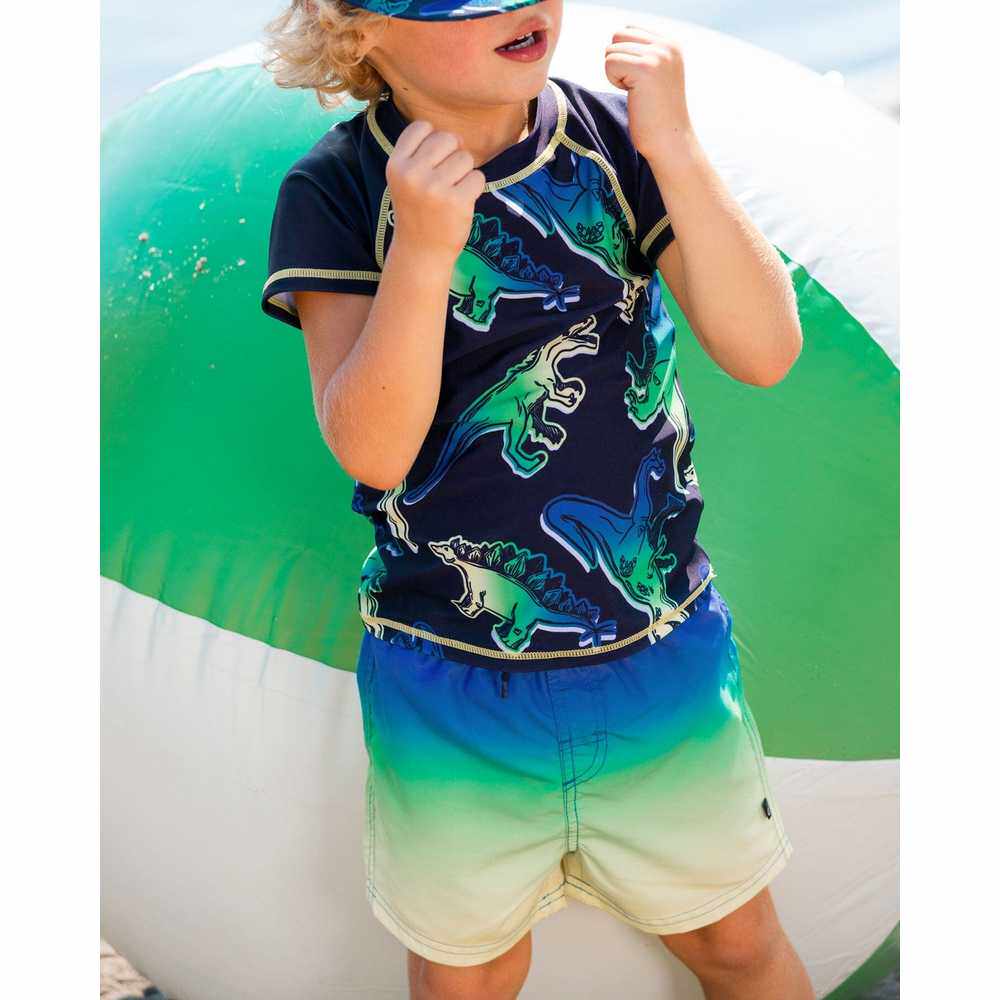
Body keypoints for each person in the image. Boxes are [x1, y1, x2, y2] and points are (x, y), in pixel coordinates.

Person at [260, 2, 813, 997]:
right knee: (466, 975)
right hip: (450, 681)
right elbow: (373, 450)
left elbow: (765, 351)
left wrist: (676, 150)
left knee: (737, 943)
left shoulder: (616, 142)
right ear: (356, 29)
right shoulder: (338, 187)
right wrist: (425, 250)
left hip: (658, 655)